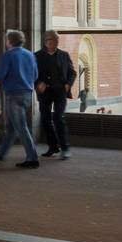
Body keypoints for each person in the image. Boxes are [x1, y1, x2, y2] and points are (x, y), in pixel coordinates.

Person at [0, 29, 40, 168]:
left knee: (21, 127)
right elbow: (36, 75)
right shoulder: (30, 54)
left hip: (13, 94)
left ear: (9, 41)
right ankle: (1, 153)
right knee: (12, 127)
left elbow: (1, 74)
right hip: (27, 93)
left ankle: (32, 158)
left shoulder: (8, 55)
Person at [35, 30, 76, 160]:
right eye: (53, 40)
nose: (56, 43)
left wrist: (68, 84)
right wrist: (38, 83)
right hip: (45, 92)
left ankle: (65, 148)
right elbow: (31, 73)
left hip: (60, 91)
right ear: (46, 41)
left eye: (57, 40)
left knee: (58, 118)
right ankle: (53, 146)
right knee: (45, 120)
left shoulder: (64, 55)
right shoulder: (37, 56)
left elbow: (72, 72)